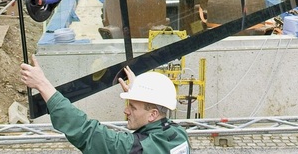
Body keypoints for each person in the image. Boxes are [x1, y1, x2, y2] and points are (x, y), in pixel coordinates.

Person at [20, 57, 191, 154]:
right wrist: (137, 92)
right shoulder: (179, 135)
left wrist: (43, 84)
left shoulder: (139, 149)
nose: (126, 110)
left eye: (132, 107)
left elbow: (88, 132)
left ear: (153, 114)